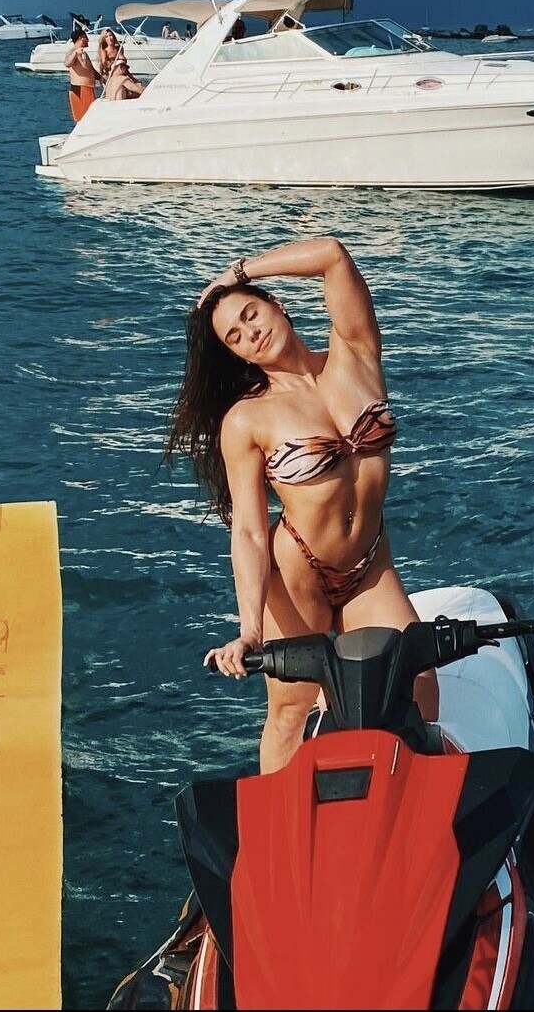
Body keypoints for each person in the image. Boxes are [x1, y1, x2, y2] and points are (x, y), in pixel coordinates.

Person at [164, 238, 438, 774]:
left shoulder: (355, 354)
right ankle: (278, 820)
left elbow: (332, 255)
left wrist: (238, 271)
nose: (250, 333)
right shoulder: (247, 420)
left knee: (419, 680)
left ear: (278, 305)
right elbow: (248, 530)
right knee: (290, 711)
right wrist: (250, 630)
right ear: (237, 356)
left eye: (251, 314)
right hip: (298, 577)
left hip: (368, 566)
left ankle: (418, 793)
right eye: (234, 337)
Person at [63, 28, 99, 122]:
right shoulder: (72, 52)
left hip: (87, 88)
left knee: (90, 116)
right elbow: (67, 63)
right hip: (80, 88)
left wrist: (104, 78)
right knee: (84, 118)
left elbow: (91, 70)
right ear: (81, 38)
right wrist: (75, 54)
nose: (88, 40)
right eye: (86, 37)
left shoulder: (83, 53)